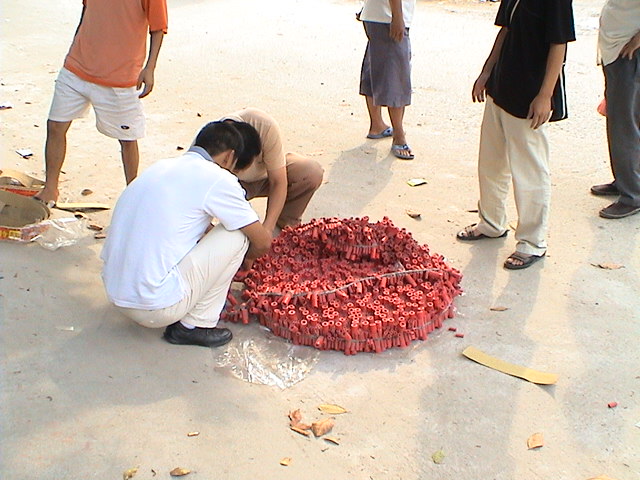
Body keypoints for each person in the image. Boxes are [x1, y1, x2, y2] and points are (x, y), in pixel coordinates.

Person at [101, 122, 272, 348]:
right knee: (238, 236)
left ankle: (178, 307)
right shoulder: (218, 178)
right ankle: (195, 325)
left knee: (207, 230)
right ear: (229, 157)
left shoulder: (160, 167)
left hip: (116, 293)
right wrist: (242, 260)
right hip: (153, 307)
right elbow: (262, 242)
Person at [456, 0, 575, 270]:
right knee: (491, 164)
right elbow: (505, 30)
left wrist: (545, 95)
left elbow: (559, 44)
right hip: (501, 87)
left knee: (530, 172)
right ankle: (491, 223)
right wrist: (486, 72)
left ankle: (532, 243)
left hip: (530, 96)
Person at [36, 0, 168, 206]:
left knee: (127, 139)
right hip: (76, 66)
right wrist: (75, 45)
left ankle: (132, 196)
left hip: (121, 76)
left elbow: (158, 28)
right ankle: (50, 188)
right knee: (55, 125)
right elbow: (87, 10)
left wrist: (150, 68)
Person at [211, 108, 324, 235]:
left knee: (311, 172)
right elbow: (196, 198)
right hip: (229, 188)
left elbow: (278, 181)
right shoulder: (205, 148)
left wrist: (268, 229)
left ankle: (284, 229)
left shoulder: (264, 126)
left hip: (265, 178)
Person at [590, 0, 640, 219]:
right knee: (624, 120)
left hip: (628, 51)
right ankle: (626, 180)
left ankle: (632, 195)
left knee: (623, 125)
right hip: (617, 49)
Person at [358, 0, 416, 160]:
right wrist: (397, 17)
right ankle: (399, 137)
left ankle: (377, 125)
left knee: (375, 67)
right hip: (388, 16)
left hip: (375, 14)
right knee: (396, 76)